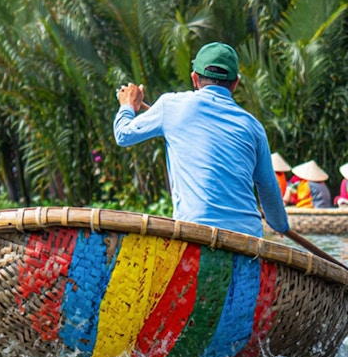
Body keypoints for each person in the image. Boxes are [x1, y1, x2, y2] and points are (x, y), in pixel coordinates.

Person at [113, 41, 289, 238]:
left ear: (194, 78)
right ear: (235, 83)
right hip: (248, 236)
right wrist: (280, 226)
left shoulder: (170, 105)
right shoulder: (254, 126)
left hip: (194, 232)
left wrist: (127, 105)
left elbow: (123, 135)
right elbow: (268, 187)